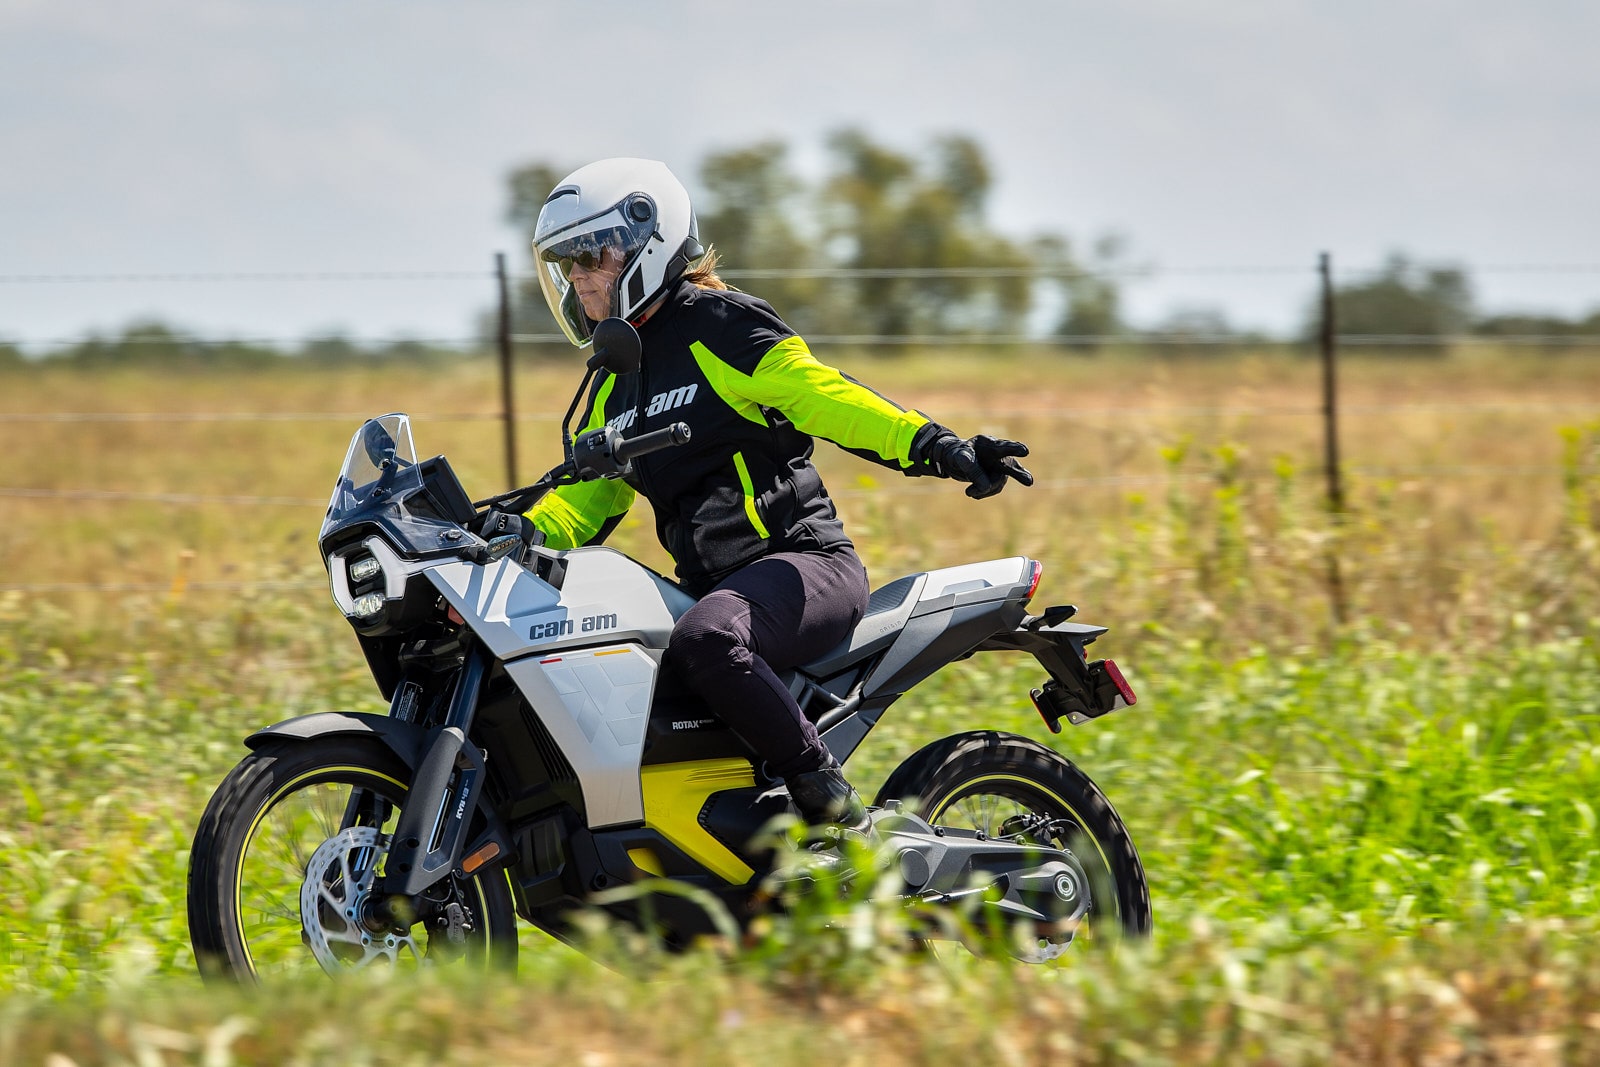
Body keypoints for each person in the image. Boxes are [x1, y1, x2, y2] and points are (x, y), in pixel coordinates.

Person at [526, 158, 1032, 833]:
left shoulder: (719, 326)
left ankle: (829, 800)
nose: (577, 278)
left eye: (590, 256)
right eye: (566, 265)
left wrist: (941, 447)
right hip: (717, 591)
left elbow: (826, 397)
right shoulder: (613, 385)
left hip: (804, 564)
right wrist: (501, 537)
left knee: (705, 638)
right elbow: (580, 505)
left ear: (646, 242)